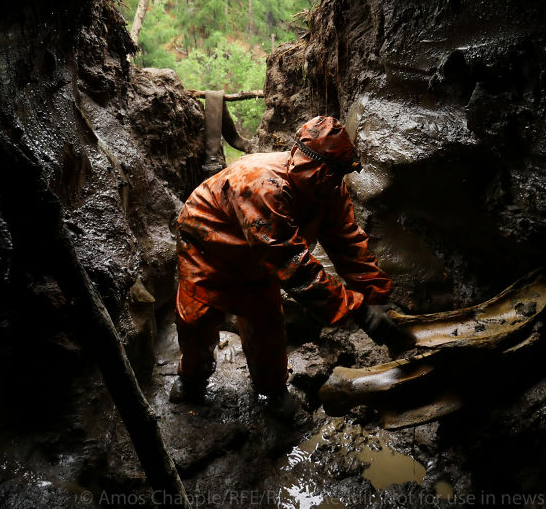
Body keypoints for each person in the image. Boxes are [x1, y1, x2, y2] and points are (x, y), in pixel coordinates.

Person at [170, 115, 410, 417]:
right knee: (197, 319)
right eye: (319, 171)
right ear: (296, 155)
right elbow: (292, 265)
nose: (327, 180)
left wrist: (376, 296)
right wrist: (358, 311)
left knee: (266, 322)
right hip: (207, 245)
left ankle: (272, 391)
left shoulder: (329, 189)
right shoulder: (261, 184)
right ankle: (192, 377)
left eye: (334, 174)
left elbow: (346, 240)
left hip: (259, 257)